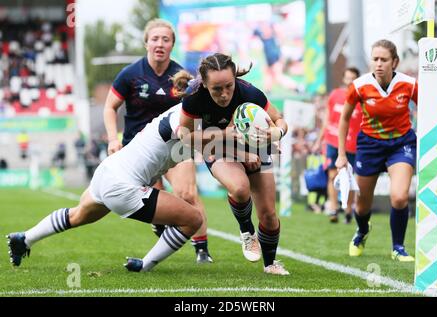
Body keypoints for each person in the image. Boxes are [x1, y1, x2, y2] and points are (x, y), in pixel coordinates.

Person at [7, 104, 203, 273]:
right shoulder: (184, 116)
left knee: (78, 215)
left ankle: (25, 238)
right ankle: (144, 265)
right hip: (122, 185)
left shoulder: (190, 113)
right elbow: (187, 137)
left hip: (109, 171)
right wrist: (224, 135)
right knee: (193, 219)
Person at [103, 19, 212, 264]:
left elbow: (196, 110)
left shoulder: (183, 77)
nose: (160, 43)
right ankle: (159, 231)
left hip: (175, 147)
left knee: (187, 193)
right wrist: (112, 138)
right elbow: (110, 106)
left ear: (172, 44)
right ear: (146, 43)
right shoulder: (130, 74)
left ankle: (202, 250)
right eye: (155, 39)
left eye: (165, 39)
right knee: (156, 203)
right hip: (137, 150)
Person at [174, 53, 290, 275]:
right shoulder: (194, 97)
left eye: (229, 86)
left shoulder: (249, 92)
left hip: (255, 144)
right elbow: (185, 136)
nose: (225, 94)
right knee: (239, 187)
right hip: (216, 146)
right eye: (217, 89)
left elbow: (279, 119)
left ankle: (270, 264)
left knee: (268, 214)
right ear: (205, 84)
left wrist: (275, 133)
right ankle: (247, 231)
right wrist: (223, 134)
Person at [336, 39, 417, 262]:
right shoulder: (359, 86)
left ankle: (398, 247)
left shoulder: (409, 84)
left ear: (395, 62)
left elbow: (428, 108)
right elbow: (344, 119)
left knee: (400, 197)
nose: (379, 64)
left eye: (384, 59)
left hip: (401, 144)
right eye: (375, 59)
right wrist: (342, 155)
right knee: (361, 207)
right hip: (369, 146)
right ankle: (362, 232)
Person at [313, 67, 362, 223]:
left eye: (352, 78)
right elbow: (327, 120)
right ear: (343, 79)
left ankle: (348, 210)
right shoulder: (335, 95)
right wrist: (318, 141)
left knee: (349, 177)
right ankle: (333, 209)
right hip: (333, 141)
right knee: (332, 175)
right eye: (347, 78)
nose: (349, 81)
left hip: (353, 144)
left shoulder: (361, 99)